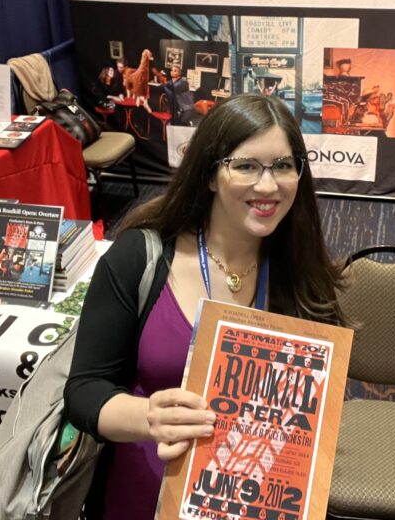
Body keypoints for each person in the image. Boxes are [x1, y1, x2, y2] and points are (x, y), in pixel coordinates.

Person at [64, 93, 346, 519]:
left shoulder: (302, 268)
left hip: (255, 498)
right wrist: (150, 416)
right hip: (145, 497)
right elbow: (84, 392)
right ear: (211, 174)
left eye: (283, 166)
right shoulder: (140, 258)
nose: (268, 186)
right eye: (246, 166)